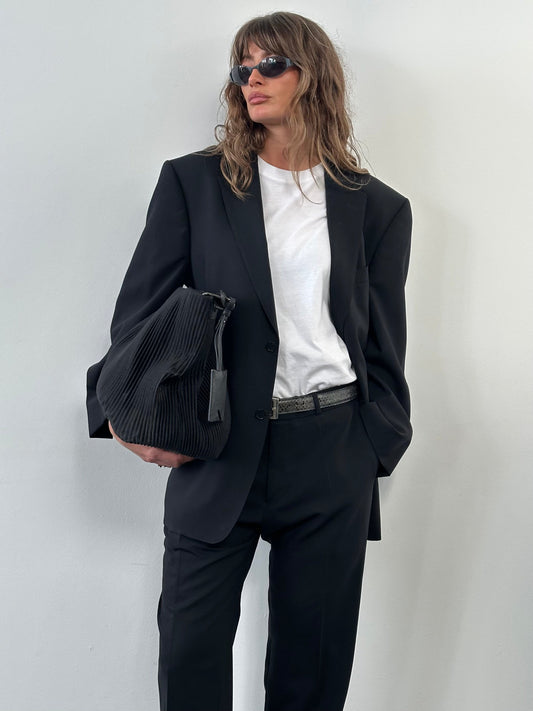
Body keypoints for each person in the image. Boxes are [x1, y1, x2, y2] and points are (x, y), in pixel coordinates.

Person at [86, 11, 413, 711]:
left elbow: (383, 346)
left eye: (270, 65)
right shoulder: (195, 184)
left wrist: (375, 443)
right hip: (218, 443)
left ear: (312, 76)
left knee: (311, 672)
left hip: (330, 452)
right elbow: (137, 315)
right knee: (189, 654)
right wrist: (116, 411)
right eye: (242, 68)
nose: (251, 80)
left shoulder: (378, 208)